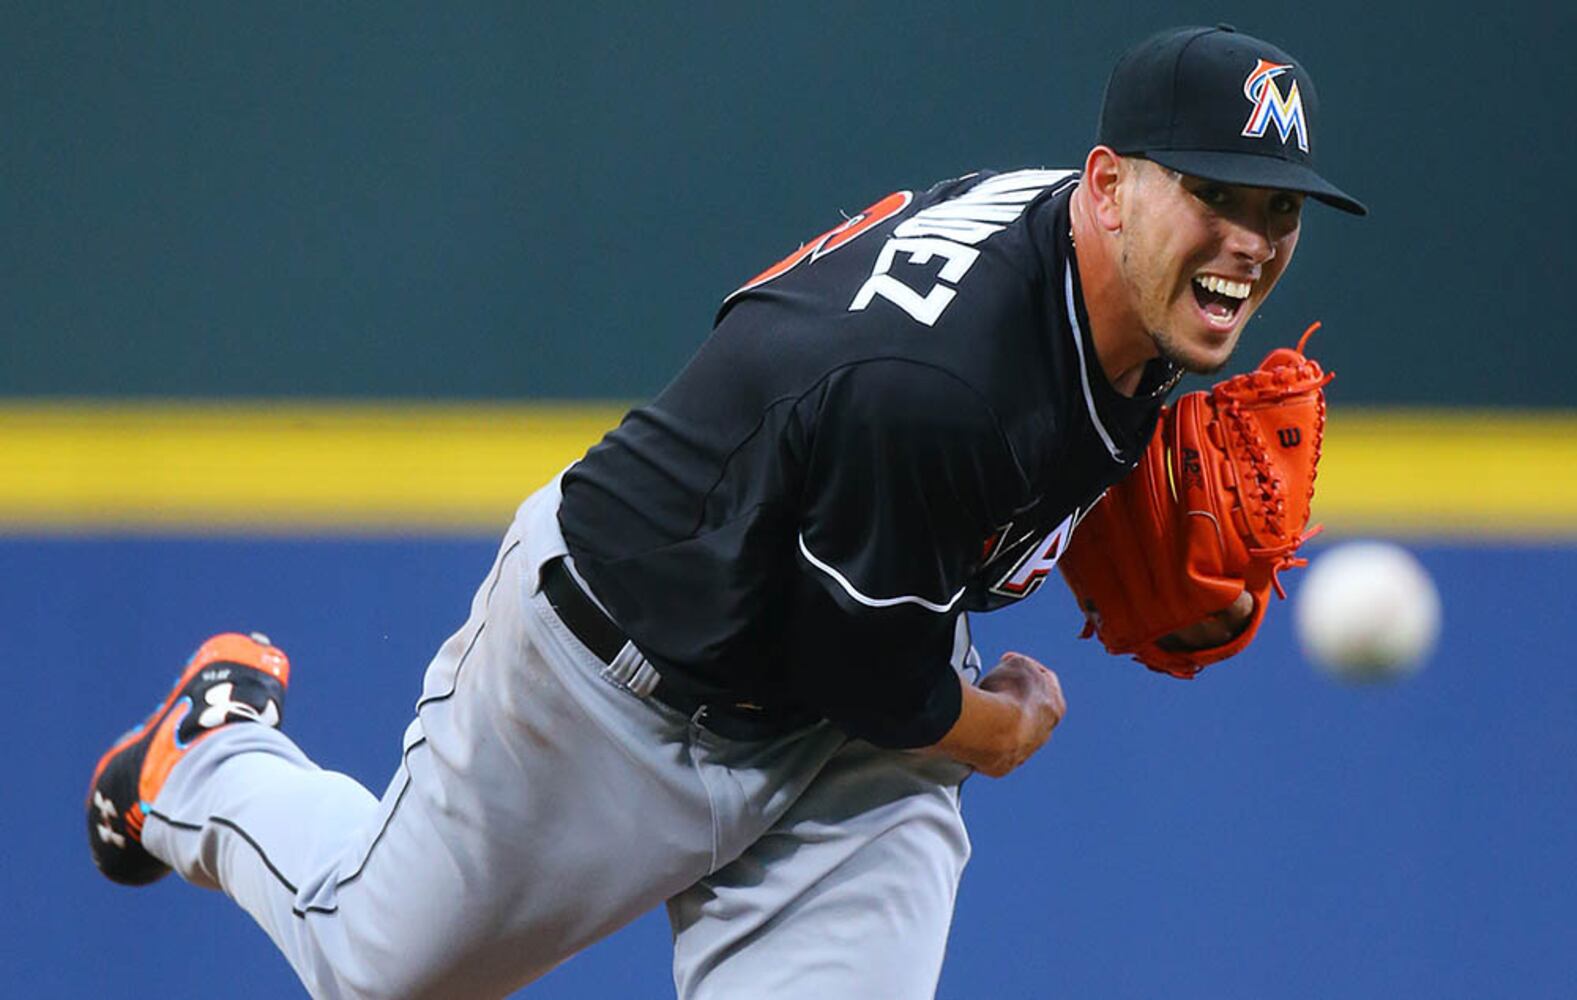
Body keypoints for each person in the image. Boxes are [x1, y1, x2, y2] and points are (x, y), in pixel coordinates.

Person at [86, 24, 1364, 1000]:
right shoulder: (942, 387)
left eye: (1275, 208)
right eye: (1215, 194)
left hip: (843, 743)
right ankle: (206, 753)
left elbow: (894, 611)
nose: (1249, 239)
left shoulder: (1101, 281)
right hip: (613, 683)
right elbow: (873, 672)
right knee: (375, 966)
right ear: (1104, 186)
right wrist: (1002, 729)